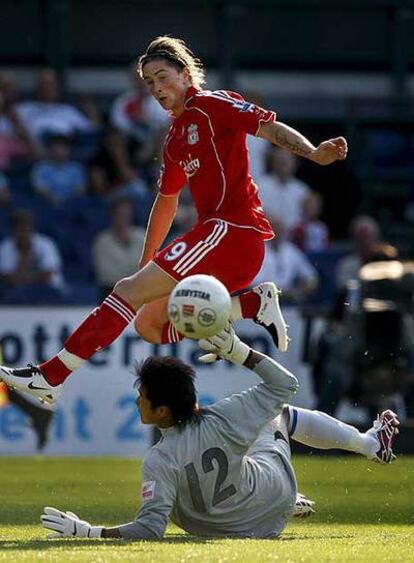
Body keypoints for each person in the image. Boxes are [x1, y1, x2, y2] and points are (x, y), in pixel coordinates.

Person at [0, 36, 347, 405]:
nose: (156, 88)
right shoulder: (176, 138)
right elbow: (165, 204)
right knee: (148, 325)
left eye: (162, 76)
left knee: (126, 293)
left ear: (185, 73)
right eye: (149, 82)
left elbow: (268, 127)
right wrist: (146, 264)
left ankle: (50, 376)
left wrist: (312, 152)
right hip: (219, 242)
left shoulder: (213, 104)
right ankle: (250, 305)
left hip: (232, 231)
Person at [40, 326, 399, 540]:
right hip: (270, 501)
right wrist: (239, 351)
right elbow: (285, 384)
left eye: (142, 396)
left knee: (272, 418)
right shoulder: (227, 416)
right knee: (278, 414)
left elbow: (150, 529)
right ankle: (369, 443)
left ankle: (362, 449)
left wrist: (89, 532)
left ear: (163, 411)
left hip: (220, 527)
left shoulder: (158, 459)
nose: (136, 402)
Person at [0, 209, 66, 300]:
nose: (24, 233)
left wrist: (23, 278)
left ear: (32, 228)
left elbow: (48, 275)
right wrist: (24, 256)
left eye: (27, 228)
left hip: (50, 291)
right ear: (13, 230)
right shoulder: (6, 246)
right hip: (17, 292)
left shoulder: (46, 244)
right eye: (20, 229)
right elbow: (8, 278)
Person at [255, 215, 319, 305]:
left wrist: (304, 288)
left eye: (280, 229)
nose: (277, 232)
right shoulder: (257, 250)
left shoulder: (291, 250)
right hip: (264, 300)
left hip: (290, 300)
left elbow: (311, 276)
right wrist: (282, 292)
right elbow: (255, 284)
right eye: (274, 228)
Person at [92, 198, 146, 300]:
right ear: (112, 216)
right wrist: (135, 274)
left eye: (127, 214)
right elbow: (105, 275)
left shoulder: (142, 236)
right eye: (120, 214)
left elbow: (148, 266)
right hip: (111, 293)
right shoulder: (102, 241)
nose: (123, 217)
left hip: (140, 291)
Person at [258, 147, 311, 232]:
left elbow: (307, 217)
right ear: (273, 163)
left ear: (294, 163)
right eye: (279, 161)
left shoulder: (302, 190)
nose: (282, 164)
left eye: (286, 162)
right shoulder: (260, 185)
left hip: (294, 238)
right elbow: (256, 212)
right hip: (267, 235)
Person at [31, 135, 86, 205]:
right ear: (50, 149)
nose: (60, 151)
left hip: (73, 204)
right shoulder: (41, 168)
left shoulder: (76, 168)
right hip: (49, 205)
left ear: (69, 149)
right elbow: (41, 190)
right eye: (57, 147)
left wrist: (70, 202)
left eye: (63, 148)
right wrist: (56, 201)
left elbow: (81, 190)